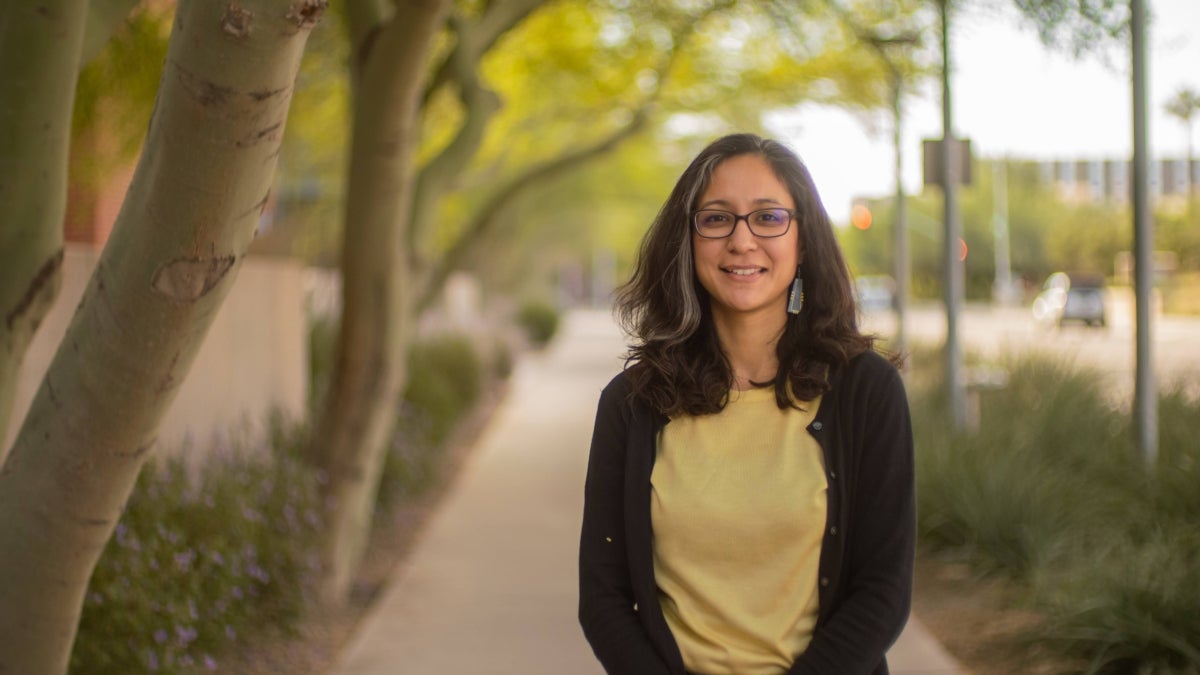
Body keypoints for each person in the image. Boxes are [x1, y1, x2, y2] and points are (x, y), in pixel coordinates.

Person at [578, 132, 915, 675]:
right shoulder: (632, 404)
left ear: (802, 240)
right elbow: (603, 600)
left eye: (767, 217)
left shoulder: (865, 393)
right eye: (716, 219)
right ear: (687, 241)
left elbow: (883, 593)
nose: (741, 240)